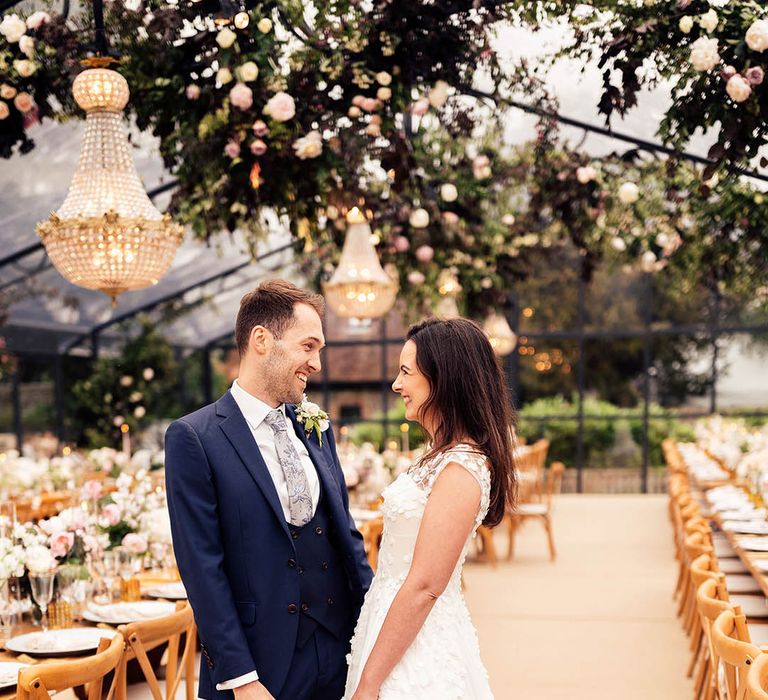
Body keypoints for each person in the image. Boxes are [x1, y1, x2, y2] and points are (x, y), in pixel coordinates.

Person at [165, 280, 373, 700]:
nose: (316, 363)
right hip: (260, 669)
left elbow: (346, 539)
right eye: (308, 346)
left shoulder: (317, 428)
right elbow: (202, 569)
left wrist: (374, 633)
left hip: (340, 653)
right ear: (262, 339)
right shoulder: (194, 437)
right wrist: (242, 680)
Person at [344, 317, 517, 699]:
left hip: (419, 641)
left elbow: (424, 586)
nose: (396, 384)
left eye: (406, 372)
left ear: (444, 378)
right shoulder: (439, 455)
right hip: (391, 623)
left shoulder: (460, 467)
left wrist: (369, 683)